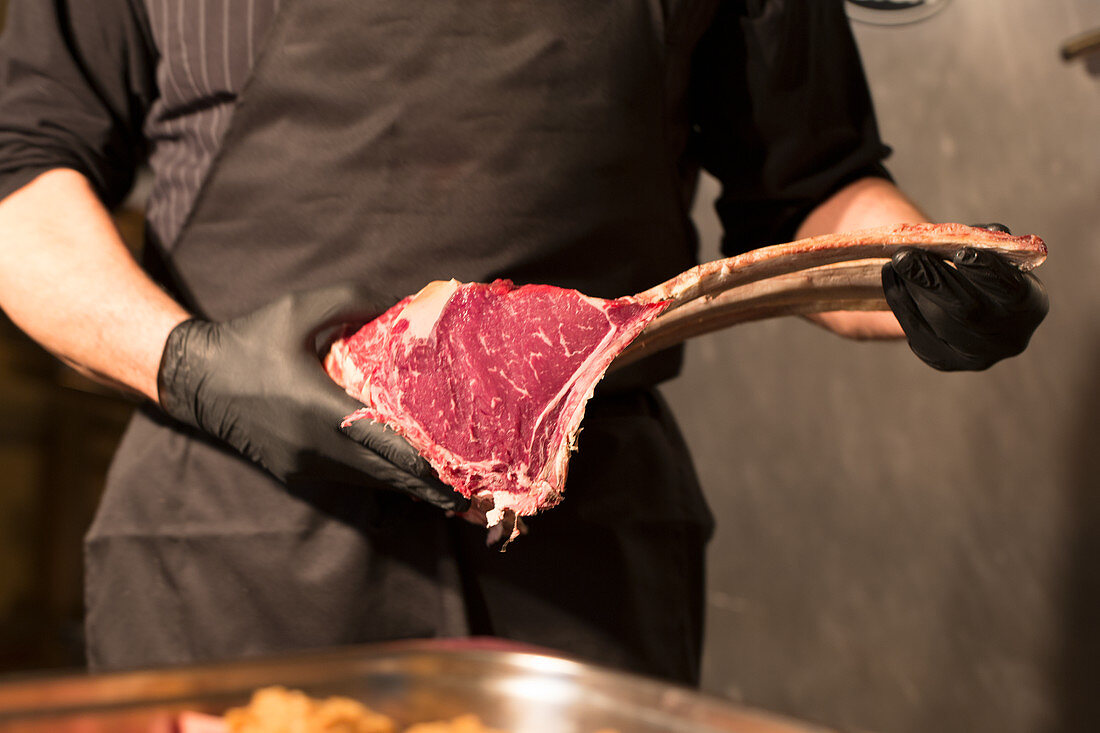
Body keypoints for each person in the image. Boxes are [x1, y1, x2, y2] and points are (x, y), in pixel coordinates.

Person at [0, 0, 1045, 684]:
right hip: (229, 545)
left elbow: (812, 194)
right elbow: (19, 172)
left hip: (581, 563)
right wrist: (191, 368)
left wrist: (925, 271)